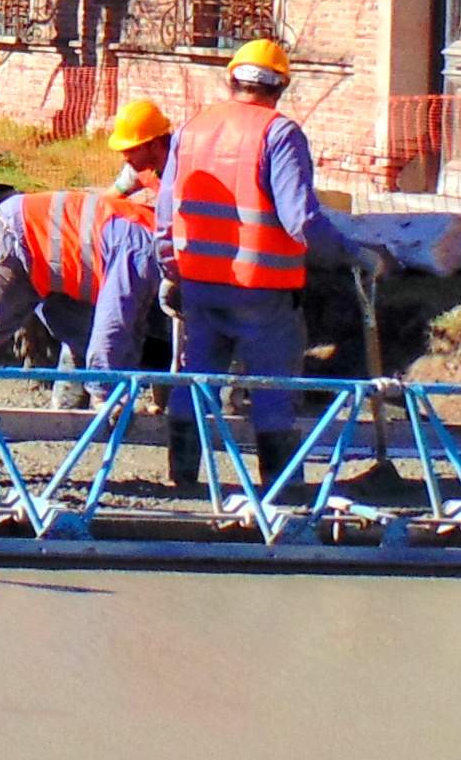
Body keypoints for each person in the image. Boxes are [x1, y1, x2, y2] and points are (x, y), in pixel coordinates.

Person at [163, 39, 388, 481]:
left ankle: (183, 479)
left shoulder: (191, 130)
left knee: (194, 379)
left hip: (200, 283)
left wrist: (169, 270)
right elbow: (301, 220)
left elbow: (165, 211)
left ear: (232, 79)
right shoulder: (279, 134)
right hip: (262, 289)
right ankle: (280, 489)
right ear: (281, 87)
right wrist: (355, 255)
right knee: (273, 387)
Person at [0, 99, 174, 399]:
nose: (125, 157)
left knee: (85, 332)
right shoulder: (140, 249)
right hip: (19, 236)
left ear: (153, 144)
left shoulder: (178, 182)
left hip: (49, 248)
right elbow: (117, 322)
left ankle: (66, 413)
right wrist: (106, 395)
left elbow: (126, 327)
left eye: (130, 149)